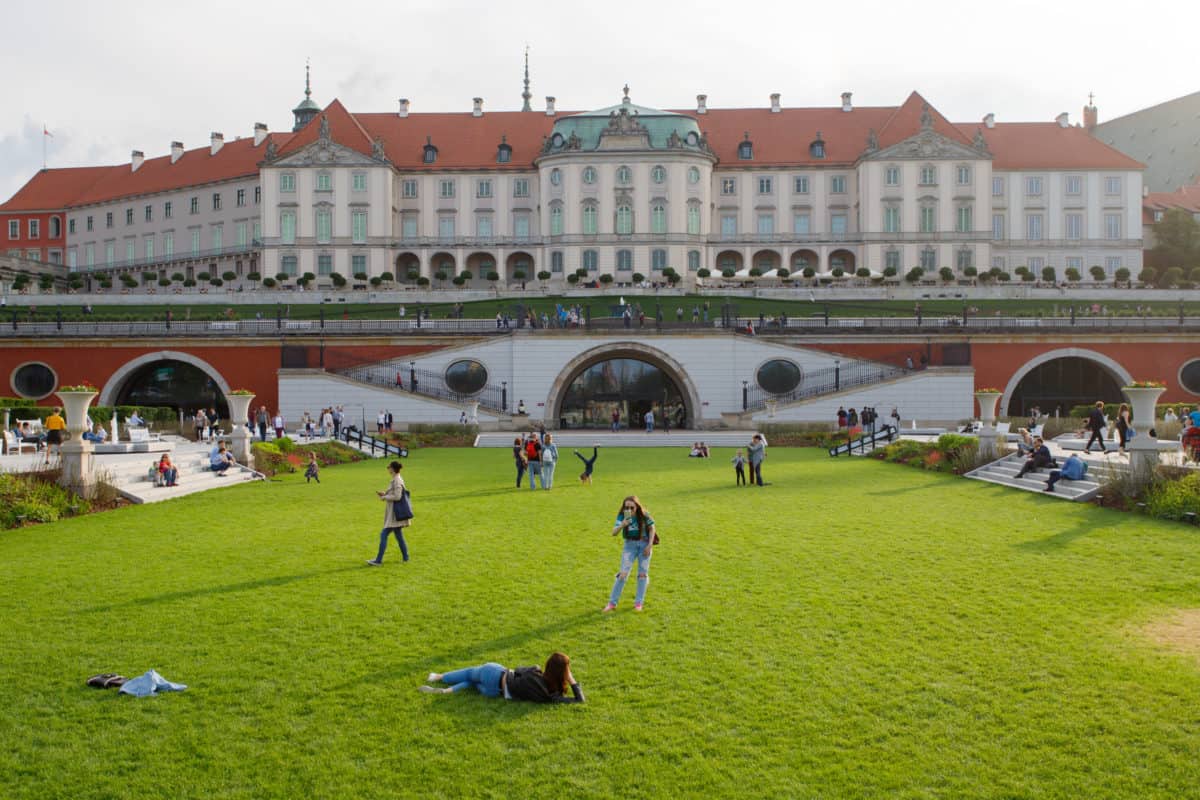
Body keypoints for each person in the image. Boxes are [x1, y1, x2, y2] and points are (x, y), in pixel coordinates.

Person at [419, 652, 584, 703]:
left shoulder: (535, 672)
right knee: (471, 683)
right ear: (563, 673)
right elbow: (580, 700)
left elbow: (518, 669)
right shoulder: (551, 695)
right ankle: (447, 691)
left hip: (496, 674)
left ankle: (439, 677)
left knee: (470, 673)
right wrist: (571, 679)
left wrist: (535, 668)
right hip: (495, 692)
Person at [603, 495, 657, 612]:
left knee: (642, 575)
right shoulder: (622, 516)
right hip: (630, 546)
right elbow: (613, 532)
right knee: (623, 574)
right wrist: (622, 524)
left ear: (637, 507)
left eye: (632, 508)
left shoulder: (644, 514)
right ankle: (612, 603)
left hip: (644, 545)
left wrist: (649, 545)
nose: (629, 510)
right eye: (626, 507)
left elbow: (652, 528)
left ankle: (638, 603)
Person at [368, 460, 410, 565]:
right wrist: (384, 493)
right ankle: (406, 557)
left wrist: (385, 497)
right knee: (399, 536)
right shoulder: (396, 479)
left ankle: (378, 560)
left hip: (395, 515)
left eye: (389, 467)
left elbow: (397, 496)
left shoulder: (397, 480)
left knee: (384, 534)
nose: (388, 469)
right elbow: (395, 493)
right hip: (394, 513)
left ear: (393, 468)